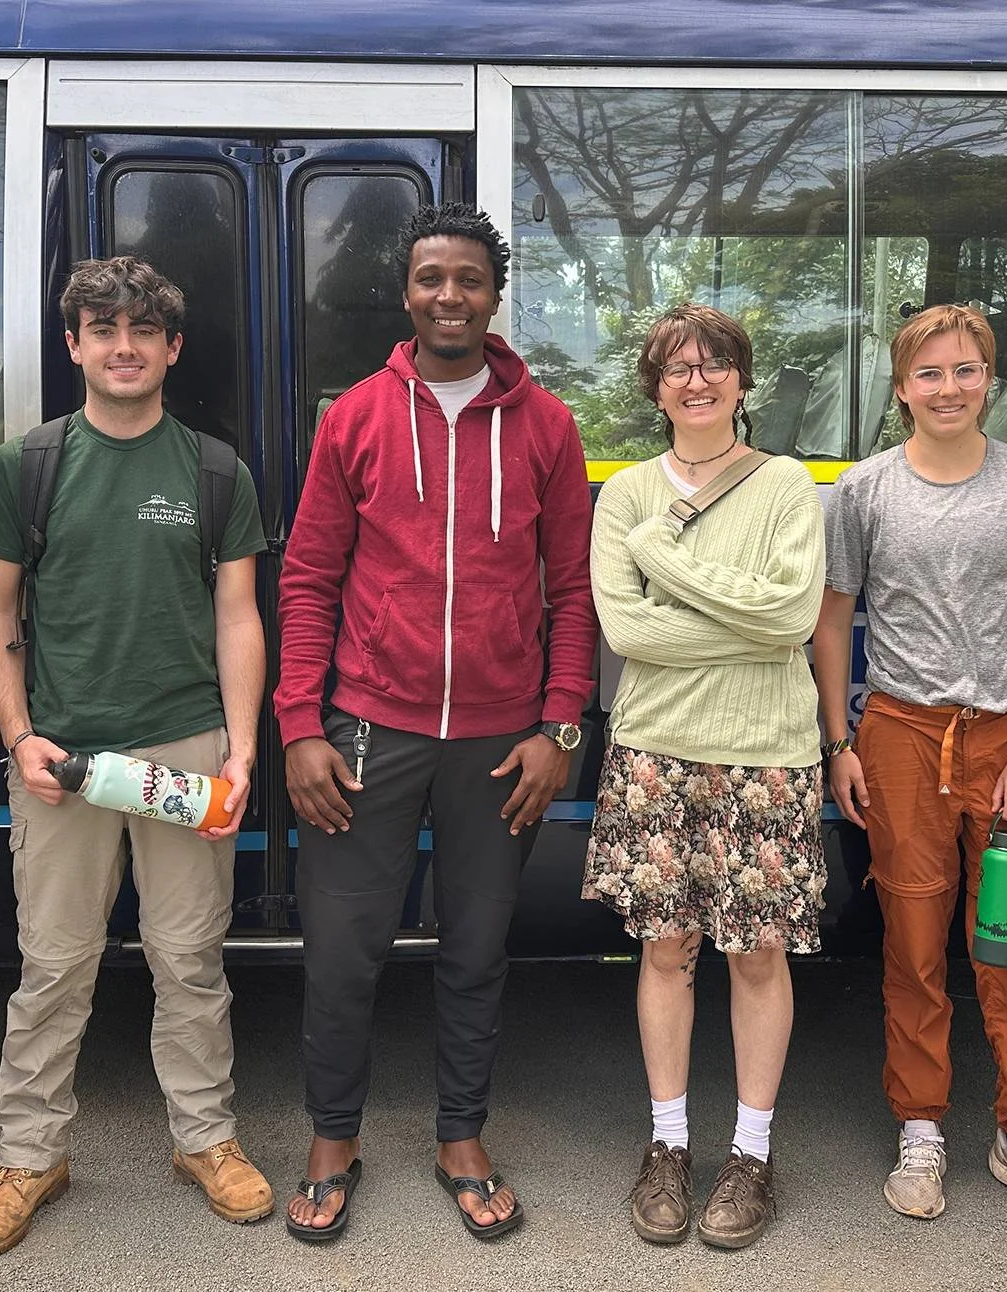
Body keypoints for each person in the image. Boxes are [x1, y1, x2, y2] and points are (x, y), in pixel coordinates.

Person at [274, 202, 596, 1242]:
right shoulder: (356, 415)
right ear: (405, 291)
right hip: (368, 725)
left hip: (502, 743)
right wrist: (298, 724)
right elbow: (310, 575)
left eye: (466, 278)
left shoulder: (545, 424)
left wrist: (559, 726)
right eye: (429, 278)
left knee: (475, 948)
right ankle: (332, 1136)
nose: (447, 295)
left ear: (493, 294)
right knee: (341, 947)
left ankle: (461, 1133)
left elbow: (574, 591)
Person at [0, 256, 273, 1257]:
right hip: (60, 757)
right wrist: (19, 734)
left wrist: (242, 747)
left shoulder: (217, 470)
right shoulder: (26, 467)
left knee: (190, 960)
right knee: (52, 965)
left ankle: (205, 1140)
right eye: (103, 329)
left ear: (172, 348)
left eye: (143, 330)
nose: (123, 346)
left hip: (185, 751)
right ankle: (29, 1156)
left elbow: (238, 617)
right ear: (74, 344)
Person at [810, 303, 1007, 1236]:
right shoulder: (863, 491)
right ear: (901, 389)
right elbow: (834, 621)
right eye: (929, 374)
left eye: (967, 371)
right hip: (899, 736)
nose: (949, 388)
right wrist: (839, 743)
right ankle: (922, 1125)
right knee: (914, 942)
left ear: (990, 381)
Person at [583, 304, 825, 1251]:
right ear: (655, 386)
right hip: (656, 748)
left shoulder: (787, 485)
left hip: (769, 751)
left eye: (716, 363)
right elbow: (628, 634)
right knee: (667, 948)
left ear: (741, 380)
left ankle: (751, 1153)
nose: (698, 379)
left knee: (757, 956)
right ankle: (669, 1144)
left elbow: (794, 618)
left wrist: (661, 559)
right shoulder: (626, 496)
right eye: (678, 367)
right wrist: (740, 619)